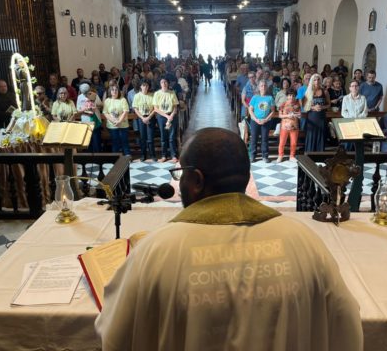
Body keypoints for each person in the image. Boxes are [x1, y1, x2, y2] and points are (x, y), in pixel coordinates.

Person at [95, 127, 363, 351]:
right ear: (246, 177)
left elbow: (114, 335)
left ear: (196, 180)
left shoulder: (155, 251)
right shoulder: (304, 242)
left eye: (181, 173)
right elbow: (347, 330)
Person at [248, 80, 275, 163]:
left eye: (264, 86)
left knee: (265, 139)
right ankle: (252, 155)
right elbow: (250, 109)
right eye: (261, 86)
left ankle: (265, 155)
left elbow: (273, 111)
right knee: (254, 138)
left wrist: (266, 119)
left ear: (266, 87)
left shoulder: (270, 98)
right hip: (255, 120)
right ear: (259, 87)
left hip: (266, 121)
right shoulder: (255, 97)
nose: (263, 87)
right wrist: (256, 119)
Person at [153, 78, 179, 162]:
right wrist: (166, 116)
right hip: (162, 117)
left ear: (167, 83)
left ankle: (173, 155)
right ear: (160, 84)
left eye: (165, 82)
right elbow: (156, 109)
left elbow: (175, 107)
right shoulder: (157, 94)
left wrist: (171, 116)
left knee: (171, 137)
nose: (164, 83)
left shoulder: (172, 93)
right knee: (163, 137)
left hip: (171, 116)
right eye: (162, 82)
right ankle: (164, 155)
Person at [303, 73, 330, 152]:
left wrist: (322, 107)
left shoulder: (325, 91)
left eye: (318, 79)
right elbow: (305, 106)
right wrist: (313, 107)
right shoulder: (308, 91)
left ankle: (320, 154)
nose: (317, 81)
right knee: (311, 135)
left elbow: (328, 104)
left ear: (320, 80)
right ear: (312, 81)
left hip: (321, 116)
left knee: (321, 134)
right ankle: (310, 154)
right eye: (315, 79)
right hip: (312, 116)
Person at [103, 83, 131, 157]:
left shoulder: (123, 99)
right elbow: (105, 113)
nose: (114, 91)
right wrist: (113, 121)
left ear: (118, 91)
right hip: (112, 125)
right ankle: (115, 157)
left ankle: (127, 156)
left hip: (123, 125)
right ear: (110, 91)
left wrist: (119, 121)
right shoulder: (107, 101)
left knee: (124, 141)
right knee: (115, 142)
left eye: (116, 90)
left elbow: (126, 111)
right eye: (113, 90)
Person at [132, 80, 157, 161]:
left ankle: (152, 155)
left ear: (148, 87)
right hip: (141, 118)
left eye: (146, 85)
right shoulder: (137, 96)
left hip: (150, 117)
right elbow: (135, 108)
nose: (145, 87)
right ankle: (143, 155)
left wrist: (148, 117)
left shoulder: (152, 95)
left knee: (150, 137)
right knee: (142, 137)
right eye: (143, 85)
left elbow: (155, 108)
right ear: (140, 86)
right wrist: (143, 118)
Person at [277, 88, 301, 163]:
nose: (291, 97)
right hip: (284, 127)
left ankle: (292, 156)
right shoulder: (283, 104)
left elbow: (300, 115)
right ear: (287, 96)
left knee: (293, 143)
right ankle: (280, 155)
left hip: (294, 127)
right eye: (290, 95)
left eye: (293, 96)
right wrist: (287, 116)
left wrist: (297, 115)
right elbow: (280, 116)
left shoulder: (297, 104)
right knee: (282, 142)